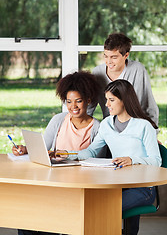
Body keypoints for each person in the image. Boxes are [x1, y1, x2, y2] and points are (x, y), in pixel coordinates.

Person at [62, 80, 162, 235]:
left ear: (125, 100)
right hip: (117, 186)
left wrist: (132, 159)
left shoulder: (144, 126)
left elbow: (156, 161)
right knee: (91, 206)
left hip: (143, 188)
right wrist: (67, 154)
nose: (107, 104)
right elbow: (92, 152)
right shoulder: (107, 124)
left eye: (111, 100)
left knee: (103, 208)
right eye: (106, 99)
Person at [12, 71, 104, 235]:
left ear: (88, 101)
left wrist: (68, 154)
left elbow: (97, 160)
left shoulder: (98, 127)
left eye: (78, 101)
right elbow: (44, 147)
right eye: (69, 101)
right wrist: (25, 149)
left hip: (79, 185)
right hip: (53, 180)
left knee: (52, 219)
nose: (73, 106)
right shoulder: (58, 120)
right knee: (26, 217)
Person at [88, 32, 159, 127]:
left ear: (126, 55)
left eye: (114, 57)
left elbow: (149, 105)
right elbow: (89, 107)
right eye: (106, 56)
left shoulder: (137, 69)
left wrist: (153, 132)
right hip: (110, 128)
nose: (109, 62)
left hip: (135, 127)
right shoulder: (97, 72)